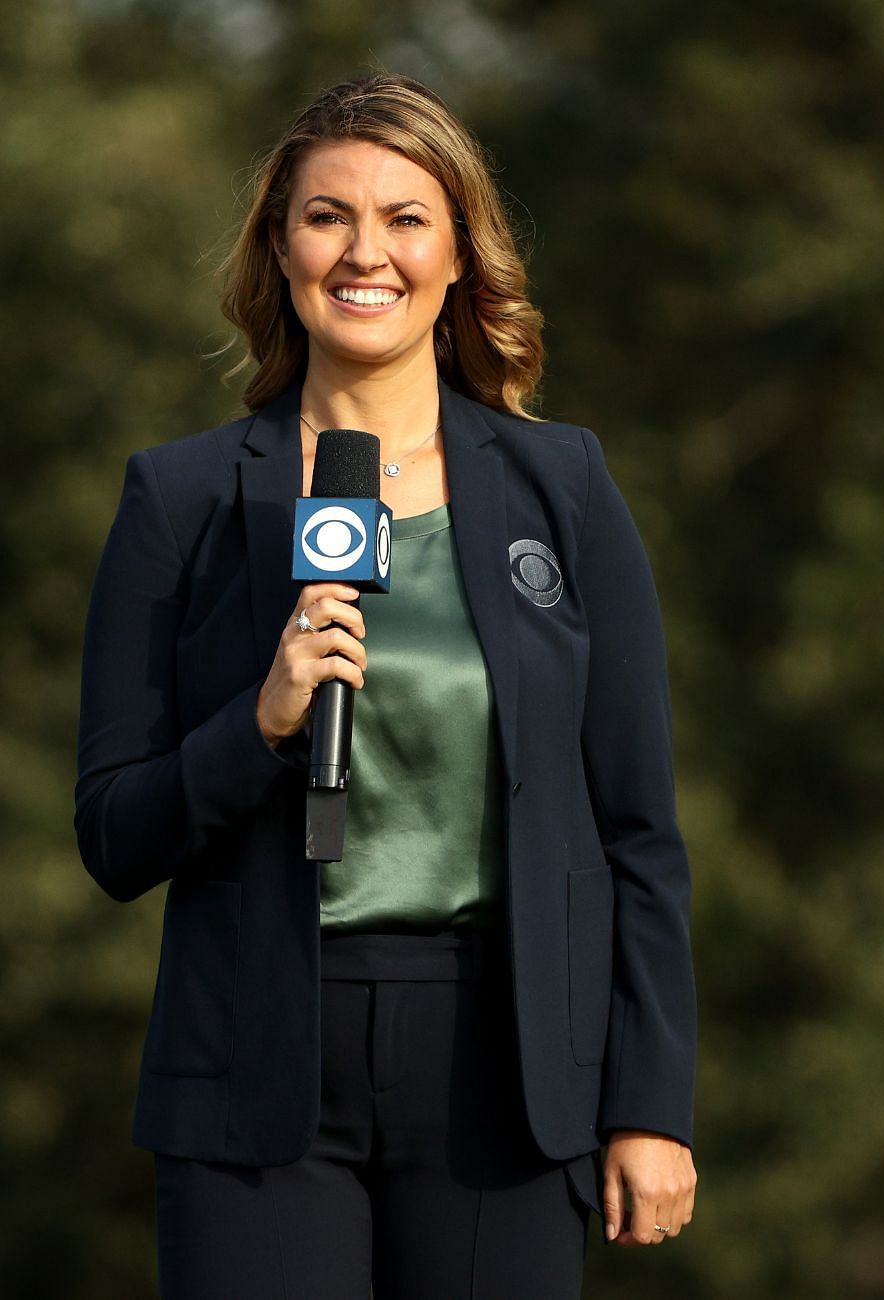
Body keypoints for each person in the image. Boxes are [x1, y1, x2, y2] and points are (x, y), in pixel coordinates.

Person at [73, 74, 696, 1296]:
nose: (368, 252)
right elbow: (111, 832)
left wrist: (651, 1102)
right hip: (252, 1067)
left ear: (461, 254)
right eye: (327, 217)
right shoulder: (180, 498)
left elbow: (638, 831)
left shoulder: (561, 485)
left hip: (504, 1069)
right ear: (279, 248)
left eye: (408, 218)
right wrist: (255, 724)